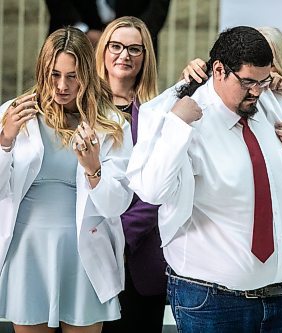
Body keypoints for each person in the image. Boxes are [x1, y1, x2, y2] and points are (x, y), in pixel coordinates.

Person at [127, 26, 282, 332]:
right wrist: (177, 127)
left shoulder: (270, 104)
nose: (256, 92)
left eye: (262, 81)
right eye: (247, 82)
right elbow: (152, 190)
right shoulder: (174, 113)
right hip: (211, 303)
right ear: (218, 70)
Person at [0, 27, 133, 332]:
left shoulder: (112, 124)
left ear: (86, 73)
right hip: (27, 250)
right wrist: (5, 141)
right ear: (42, 70)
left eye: (72, 76)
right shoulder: (14, 114)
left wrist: (93, 169)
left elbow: (118, 205)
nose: (62, 85)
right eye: (54, 74)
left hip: (84, 253)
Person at [95, 16, 167, 333]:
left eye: (135, 49)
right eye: (116, 46)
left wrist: (121, 237)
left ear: (145, 57)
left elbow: (159, 185)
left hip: (138, 254)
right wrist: (100, 236)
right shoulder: (78, 107)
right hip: (88, 249)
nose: (125, 55)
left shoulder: (159, 113)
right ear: (103, 51)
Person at [181, 26, 282, 130]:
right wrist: (188, 74)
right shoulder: (222, 84)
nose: (255, 90)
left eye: (266, 63)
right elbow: (180, 103)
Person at [45, 0, 170, 53]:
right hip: (77, 39)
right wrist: (83, 31)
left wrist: (135, 36)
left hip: (135, 43)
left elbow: (157, 7)